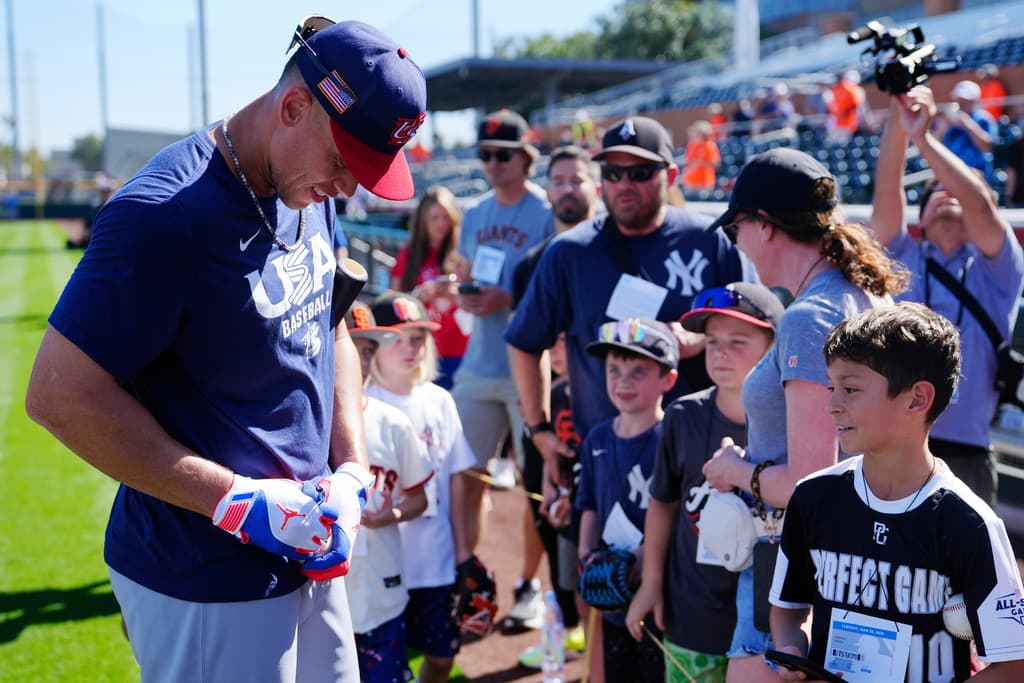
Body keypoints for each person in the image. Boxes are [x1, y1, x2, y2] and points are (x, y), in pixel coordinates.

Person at [24, 17, 426, 683]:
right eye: (342, 163)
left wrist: (351, 470)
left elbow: (328, 326)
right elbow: (59, 394)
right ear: (294, 108)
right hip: (203, 573)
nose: (349, 188)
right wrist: (234, 499)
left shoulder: (303, 179)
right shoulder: (166, 215)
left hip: (310, 547)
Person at [700, 147, 907, 683]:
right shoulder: (862, 295)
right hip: (859, 559)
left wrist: (735, 472)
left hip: (797, 568)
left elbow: (811, 484)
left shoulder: (809, 315)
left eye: (736, 228)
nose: (738, 242)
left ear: (764, 226)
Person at [770, 302, 1024, 682]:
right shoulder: (813, 497)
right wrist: (791, 652)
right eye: (832, 387)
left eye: (850, 389)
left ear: (917, 399)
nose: (832, 405)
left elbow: (1013, 665)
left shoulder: (968, 522)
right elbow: (786, 609)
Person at [506, 115, 753, 500]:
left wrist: (703, 335)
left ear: (670, 176)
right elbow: (525, 341)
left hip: (705, 457)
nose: (624, 184)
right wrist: (539, 430)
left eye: (639, 172)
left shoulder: (708, 241)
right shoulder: (569, 252)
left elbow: (754, 331)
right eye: (612, 172)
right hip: (610, 456)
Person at [871, 84, 1024, 507]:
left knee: (967, 573)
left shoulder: (998, 266)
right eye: (935, 191)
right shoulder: (903, 256)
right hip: (895, 444)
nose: (946, 195)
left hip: (968, 452)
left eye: (955, 189)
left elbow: (979, 206)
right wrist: (901, 123)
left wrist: (925, 138)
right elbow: (887, 191)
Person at [626, 283, 784, 683]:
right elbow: (663, 503)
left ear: (774, 347)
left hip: (765, 623)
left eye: (738, 341)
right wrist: (651, 584)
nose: (720, 352)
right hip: (691, 615)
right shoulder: (683, 416)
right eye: (712, 341)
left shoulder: (793, 427)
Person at [505, 144, 599, 639]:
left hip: (605, 406)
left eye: (576, 179)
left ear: (594, 187)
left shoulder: (615, 250)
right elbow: (527, 344)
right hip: (551, 413)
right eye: (558, 180)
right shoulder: (530, 265)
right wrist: (535, 418)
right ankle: (568, 623)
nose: (568, 188)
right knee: (548, 506)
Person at [451, 108, 552, 557]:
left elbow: (553, 289)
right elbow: (466, 275)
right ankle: (462, 574)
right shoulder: (474, 214)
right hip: (479, 362)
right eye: (486, 155)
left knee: (535, 487)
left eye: (503, 155)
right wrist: (467, 295)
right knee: (461, 477)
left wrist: (506, 297)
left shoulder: (546, 213)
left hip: (527, 369)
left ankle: (530, 587)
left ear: (525, 158)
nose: (493, 164)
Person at [364, 292, 477, 683]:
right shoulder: (361, 402)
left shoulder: (439, 401)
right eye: (397, 337)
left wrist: (465, 552)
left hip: (435, 556)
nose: (410, 347)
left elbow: (458, 479)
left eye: (417, 337)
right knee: (381, 662)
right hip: (378, 562)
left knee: (442, 656)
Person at [576, 317, 680, 682]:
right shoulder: (597, 439)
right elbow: (588, 505)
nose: (622, 381)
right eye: (614, 369)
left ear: (668, 378)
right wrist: (586, 556)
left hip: (660, 592)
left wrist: (640, 559)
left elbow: (679, 515)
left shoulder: (672, 438)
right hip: (612, 588)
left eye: (638, 371)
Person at [343, 302, 433, 683]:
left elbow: (418, 498)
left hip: (383, 587)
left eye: (367, 351)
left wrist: (390, 516)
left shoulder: (394, 424)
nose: (360, 361)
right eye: (351, 347)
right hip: (325, 596)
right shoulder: (305, 425)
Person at [391, 185, 470, 390]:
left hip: (461, 350)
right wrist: (419, 297)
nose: (440, 224)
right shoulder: (407, 256)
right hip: (421, 352)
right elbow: (392, 303)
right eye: (434, 218)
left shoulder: (463, 255)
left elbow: (477, 300)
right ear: (423, 221)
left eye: (445, 217)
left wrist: (459, 296)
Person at [934, 79, 996, 177]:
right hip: (952, 175)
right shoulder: (948, 120)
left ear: (974, 101)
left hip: (977, 175)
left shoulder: (983, 119)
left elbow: (988, 147)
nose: (961, 103)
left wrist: (968, 124)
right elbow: (934, 143)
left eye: (965, 100)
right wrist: (944, 126)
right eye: (959, 99)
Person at [682, 120, 721, 195]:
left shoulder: (710, 146)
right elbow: (688, 162)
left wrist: (701, 163)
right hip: (690, 182)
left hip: (704, 183)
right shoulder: (691, 145)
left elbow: (716, 164)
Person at [829, 70, 866, 141]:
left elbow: (856, 106)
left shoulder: (849, 90)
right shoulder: (836, 89)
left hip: (846, 124)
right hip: (842, 124)